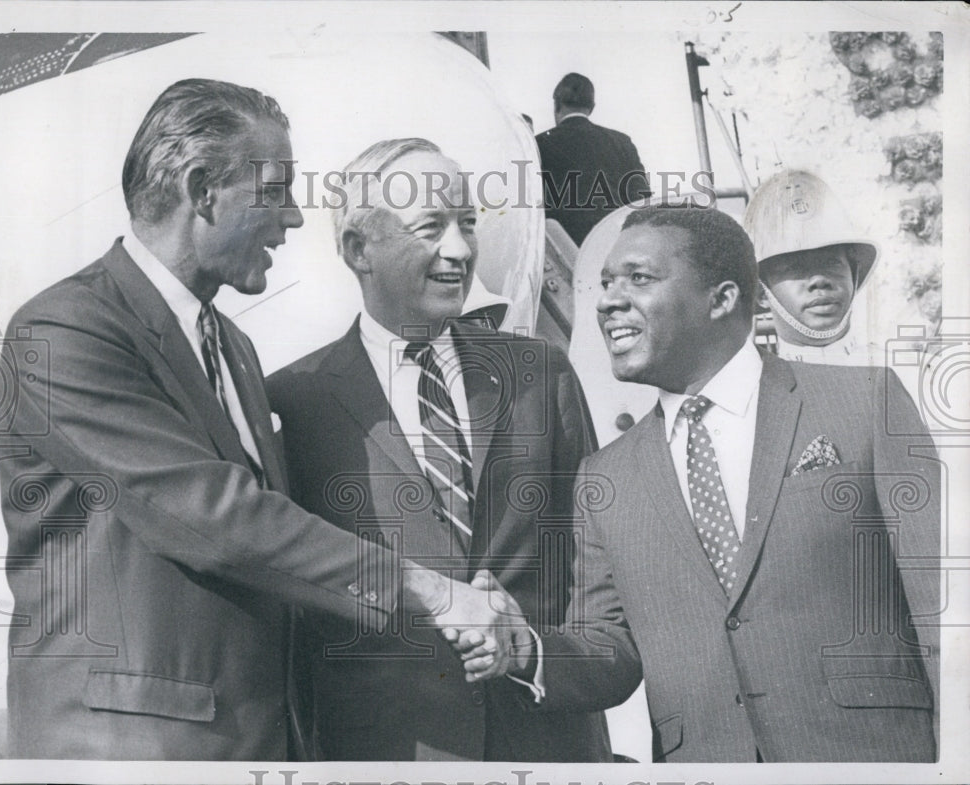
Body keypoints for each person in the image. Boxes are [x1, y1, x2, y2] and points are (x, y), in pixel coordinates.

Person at [0, 80, 510, 761]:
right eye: (275, 191)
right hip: (131, 750)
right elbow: (216, 517)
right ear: (202, 190)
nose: (293, 218)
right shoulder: (65, 330)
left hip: (254, 743)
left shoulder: (232, 347)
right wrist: (434, 592)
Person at [463, 205, 940, 762]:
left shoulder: (865, 403)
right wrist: (525, 648)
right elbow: (609, 648)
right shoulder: (604, 477)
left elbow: (945, 609)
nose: (608, 301)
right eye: (607, 283)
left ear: (722, 298)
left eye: (639, 278)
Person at [265, 138, 611, 762]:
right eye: (431, 227)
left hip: (549, 745)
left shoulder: (541, 373)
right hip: (392, 756)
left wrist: (538, 656)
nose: (460, 249)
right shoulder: (295, 401)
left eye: (467, 223)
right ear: (358, 250)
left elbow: (596, 572)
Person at [742, 169, 880, 365]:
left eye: (832, 263)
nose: (819, 280)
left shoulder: (905, 374)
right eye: (795, 268)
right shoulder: (752, 382)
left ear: (854, 274)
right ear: (761, 293)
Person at [535, 72, 651, 247]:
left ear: (557, 104)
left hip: (564, 249)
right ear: (592, 107)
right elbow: (641, 200)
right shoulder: (622, 142)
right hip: (612, 245)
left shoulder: (539, 144)